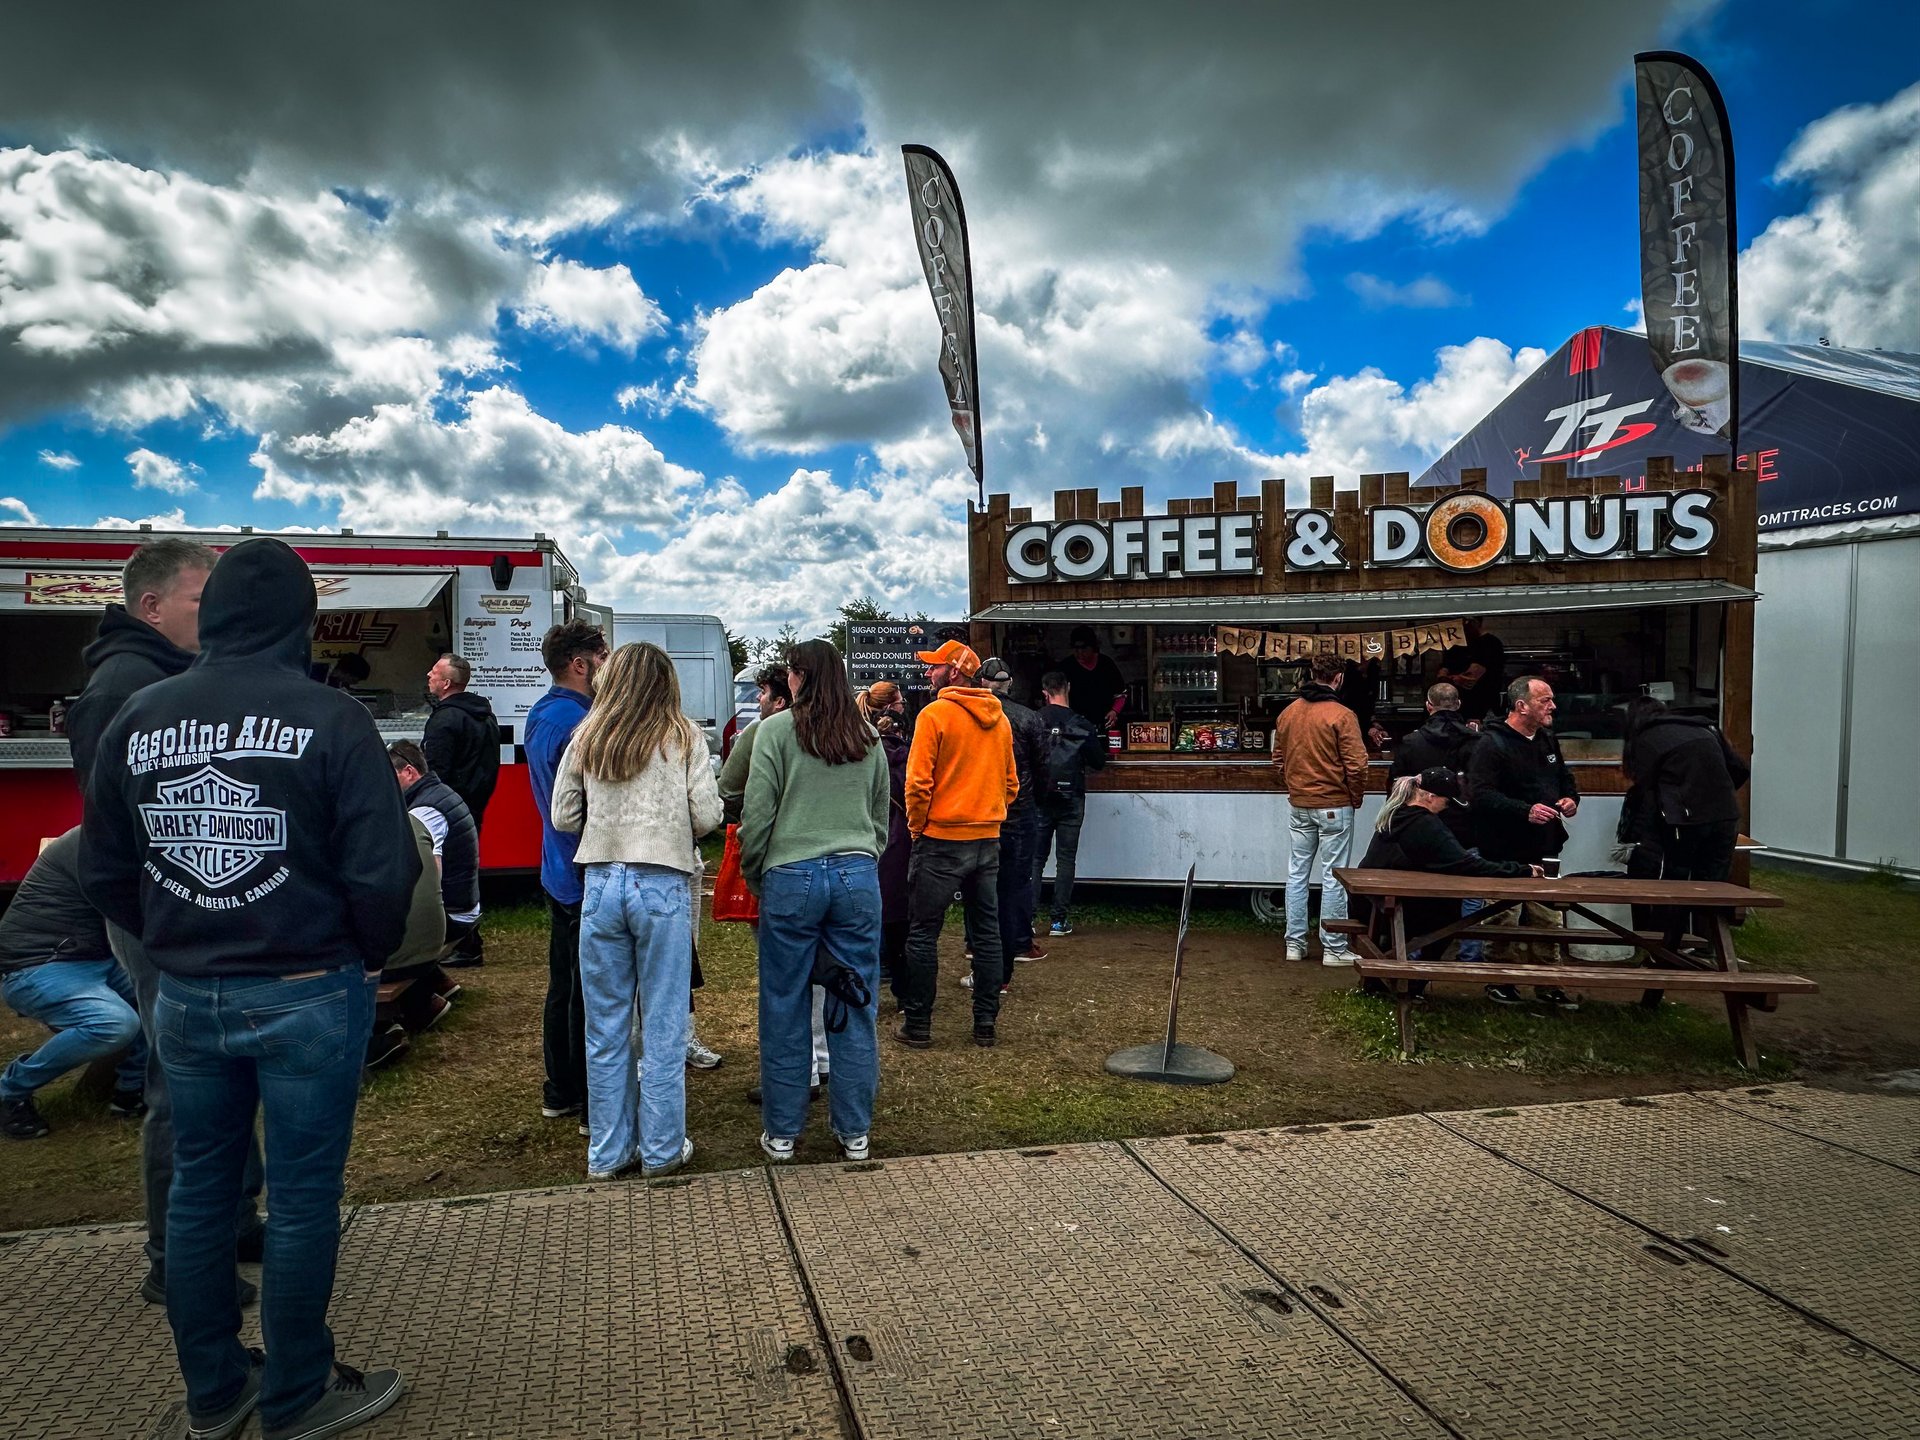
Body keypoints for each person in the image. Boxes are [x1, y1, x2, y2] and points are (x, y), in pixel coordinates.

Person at [81, 537, 419, 1440]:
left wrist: (173, 930)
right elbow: (383, 873)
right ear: (302, 623)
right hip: (308, 984)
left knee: (200, 1189)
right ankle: (299, 1393)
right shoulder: (332, 718)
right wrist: (364, 952)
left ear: (217, 612)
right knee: (304, 1199)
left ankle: (216, 1393)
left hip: (188, 992)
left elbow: (106, 869)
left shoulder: (139, 717)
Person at [65, 537, 265, 1307]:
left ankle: (234, 1220)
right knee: (181, 1082)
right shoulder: (123, 689)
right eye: (198, 598)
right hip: (161, 919)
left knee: (226, 1068)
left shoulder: (170, 677)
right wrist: (164, 917)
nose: (213, 613)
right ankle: (175, 1258)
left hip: (194, 911)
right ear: (151, 607)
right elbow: (116, 837)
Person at [552, 642, 722, 1182]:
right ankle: (662, 1149)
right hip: (662, 882)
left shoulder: (590, 733)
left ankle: (607, 1152)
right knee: (664, 1025)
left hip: (602, 879)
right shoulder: (684, 735)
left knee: (605, 1027)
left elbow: (563, 814)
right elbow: (707, 814)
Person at [738, 640, 890, 1162]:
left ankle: (782, 1132)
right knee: (854, 1000)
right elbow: (879, 815)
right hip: (855, 873)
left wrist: (757, 871)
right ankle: (854, 1131)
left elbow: (757, 814)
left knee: (784, 1003)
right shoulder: (865, 735)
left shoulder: (774, 732)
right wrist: (865, 856)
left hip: (790, 874)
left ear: (797, 677)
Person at [897, 640, 1018, 1049]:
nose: (928, 673)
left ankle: (918, 1026)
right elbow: (1011, 784)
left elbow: (917, 784)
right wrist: (988, 810)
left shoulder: (934, 715)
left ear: (953, 672)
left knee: (923, 933)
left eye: (934, 668)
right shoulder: (999, 719)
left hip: (941, 839)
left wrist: (918, 829)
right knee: (986, 933)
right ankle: (985, 1025)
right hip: (987, 840)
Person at [723, 663, 825, 1102]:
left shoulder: (761, 735)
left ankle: (792, 1073)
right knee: (822, 969)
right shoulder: (839, 731)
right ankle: (821, 1058)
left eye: (763, 693)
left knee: (782, 976)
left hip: (782, 866)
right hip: (837, 865)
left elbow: (728, 791)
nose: (758, 700)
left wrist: (753, 861)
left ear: (781, 699)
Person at [2, 828, 145, 1139]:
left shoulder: (124, 834)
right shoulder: (102, 840)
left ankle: (131, 1091)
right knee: (114, 1024)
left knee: (159, 995)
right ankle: (9, 1091)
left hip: (92, 958)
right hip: (37, 964)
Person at [525, 620, 608, 1127]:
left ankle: (560, 1088)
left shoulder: (543, 711)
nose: (607, 667)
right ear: (580, 664)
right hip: (581, 872)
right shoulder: (578, 723)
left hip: (558, 870)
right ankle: (584, 1096)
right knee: (587, 992)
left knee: (564, 987)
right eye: (602, 658)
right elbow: (583, 807)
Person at [1357, 769, 1542, 979]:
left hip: (1369, 902)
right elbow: (1468, 864)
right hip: (1390, 909)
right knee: (1449, 918)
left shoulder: (1395, 814)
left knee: (1437, 912)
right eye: (1446, 801)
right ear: (1430, 796)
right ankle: (1415, 980)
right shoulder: (1426, 825)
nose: (1448, 806)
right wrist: (1522, 869)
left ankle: (1398, 976)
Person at [1468, 676, 1580, 1008]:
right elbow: (1480, 794)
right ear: (1521, 706)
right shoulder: (1490, 744)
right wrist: (1524, 811)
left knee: (1548, 917)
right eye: (1545, 701)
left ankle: (1548, 983)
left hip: (1547, 846)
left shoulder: (1547, 739)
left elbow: (1564, 777)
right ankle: (1501, 982)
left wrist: (1570, 799)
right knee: (1504, 915)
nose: (1553, 707)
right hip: (1503, 846)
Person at [1623, 695, 1751, 948]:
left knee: (1675, 883)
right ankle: (1710, 945)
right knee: (1712, 886)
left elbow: (1645, 785)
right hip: (1725, 816)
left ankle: (1667, 949)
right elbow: (1739, 769)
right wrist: (1716, 794)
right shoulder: (1705, 728)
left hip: (1685, 821)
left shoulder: (1647, 738)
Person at [1270, 653, 1369, 966]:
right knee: (1333, 877)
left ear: (1312, 674)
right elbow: (1357, 765)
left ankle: (1294, 945)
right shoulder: (1342, 715)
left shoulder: (1288, 713)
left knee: (1296, 875)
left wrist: (1295, 786)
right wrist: (1355, 797)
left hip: (1299, 805)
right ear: (1338, 678)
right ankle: (1334, 948)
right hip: (1334, 805)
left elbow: (1278, 760)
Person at [1389, 682, 1486, 960]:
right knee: (1471, 891)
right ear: (1457, 706)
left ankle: (1414, 954)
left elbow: (1395, 789)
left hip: (1423, 829)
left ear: (1428, 706)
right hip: (1467, 827)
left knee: (1421, 894)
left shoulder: (1411, 741)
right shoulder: (1477, 741)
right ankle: (1471, 955)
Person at [975, 657, 1049, 994]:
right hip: (1020, 813)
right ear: (1010, 685)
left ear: (982, 684)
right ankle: (1011, 955)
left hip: (979, 814)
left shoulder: (969, 716)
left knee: (981, 892)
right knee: (1015, 888)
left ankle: (982, 962)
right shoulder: (1030, 718)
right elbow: (1043, 767)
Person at [421, 653, 499, 965]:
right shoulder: (485, 716)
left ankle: (461, 945)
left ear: (447, 683)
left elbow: (435, 772)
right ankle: (466, 942)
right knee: (466, 874)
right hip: (473, 807)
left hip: (446, 811)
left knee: (446, 877)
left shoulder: (445, 720)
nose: (429, 674)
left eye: (435, 672)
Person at [385, 741, 481, 952]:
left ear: (409, 772)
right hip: (464, 905)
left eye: (389, 776)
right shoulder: (439, 793)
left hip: (452, 915)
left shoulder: (425, 811)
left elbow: (430, 876)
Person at [1032, 671, 1106, 939]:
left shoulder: (1034, 720)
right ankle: (1058, 921)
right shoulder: (1082, 724)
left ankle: (1028, 919)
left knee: (1035, 860)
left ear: (1044, 692)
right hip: (1071, 798)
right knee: (1065, 859)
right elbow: (1099, 761)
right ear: (1068, 687)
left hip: (1039, 798)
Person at [856, 682, 914, 990]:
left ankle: (872, 977)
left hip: (864, 840)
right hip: (898, 839)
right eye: (902, 704)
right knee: (898, 918)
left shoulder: (855, 749)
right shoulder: (902, 755)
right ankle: (902, 985)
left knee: (868, 916)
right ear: (891, 710)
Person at [1055, 624, 1128, 733]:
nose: (1080, 653)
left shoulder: (1106, 664)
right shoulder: (1065, 667)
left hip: (1104, 723)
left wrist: (1114, 711)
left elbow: (1121, 694)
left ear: (1093, 647)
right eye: (1076, 649)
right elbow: (1056, 697)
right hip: (1075, 726)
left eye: (1084, 648)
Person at [1437, 618, 1507, 724]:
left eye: (1464, 623)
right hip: (1457, 709)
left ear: (1474, 623)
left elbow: (1469, 679)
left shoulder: (1490, 644)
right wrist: (1446, 677)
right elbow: (1443, 670)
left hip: (1482, 708)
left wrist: (1449, 678)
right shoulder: (1457, 645)